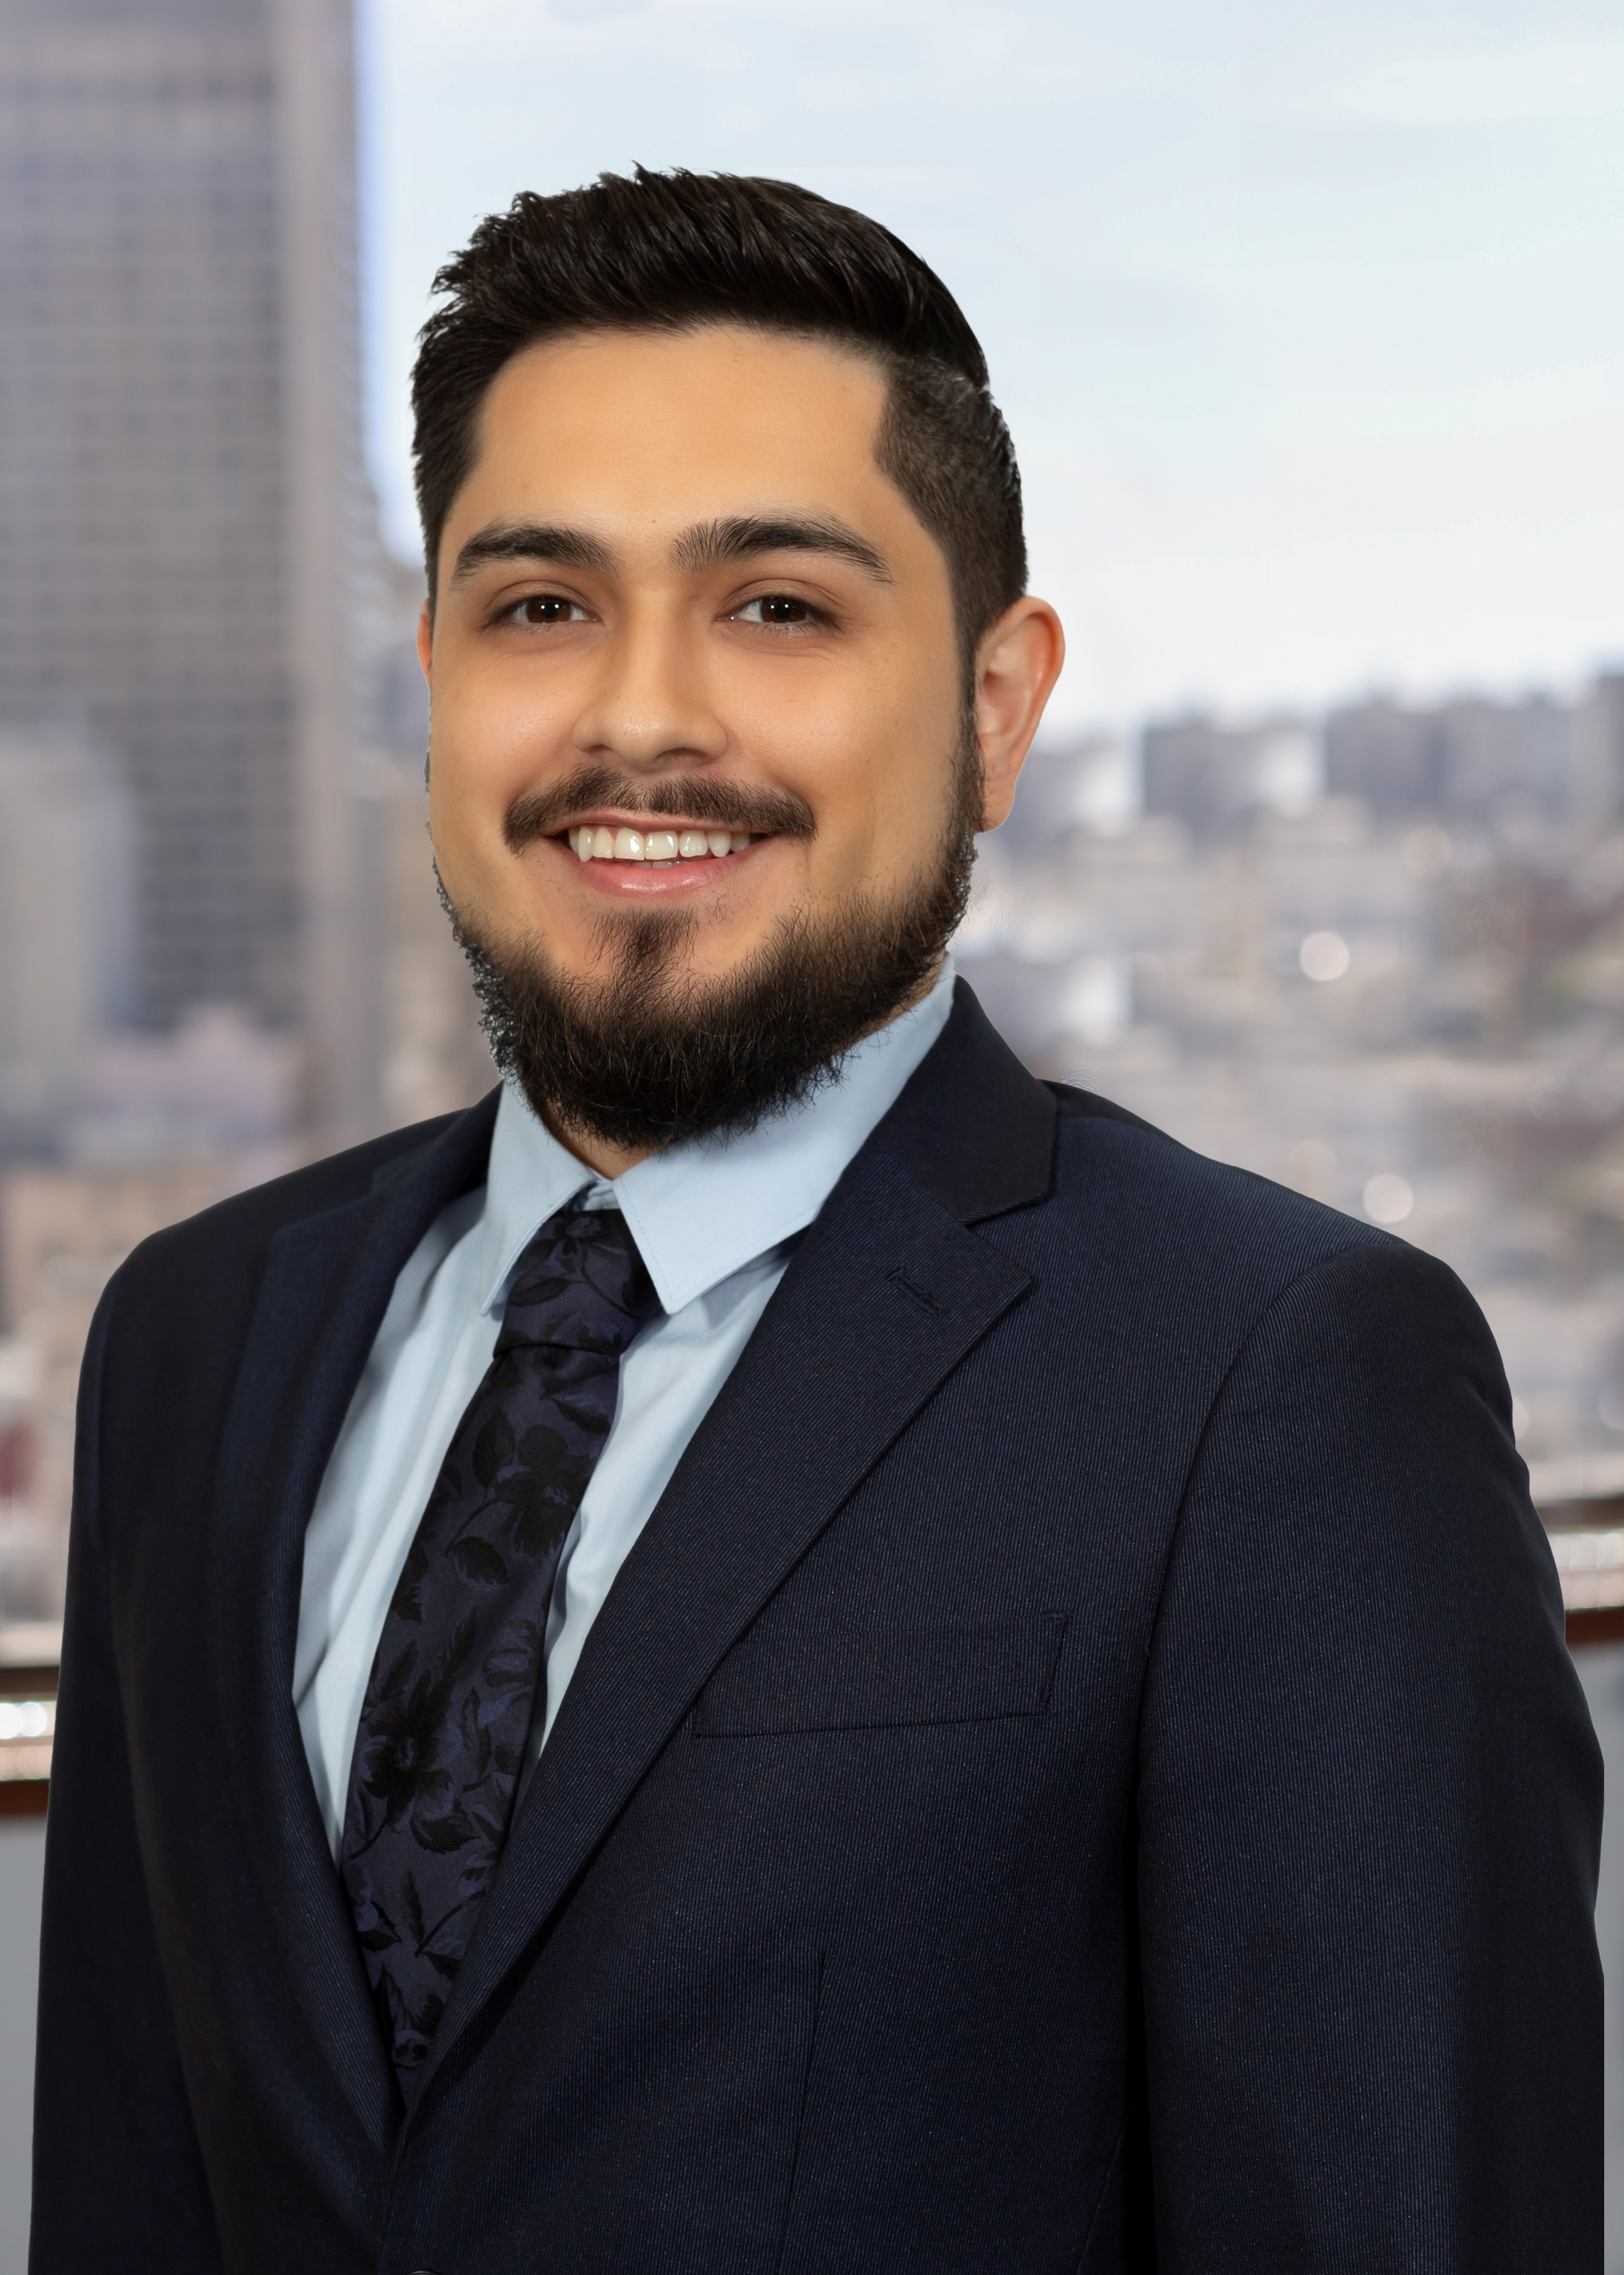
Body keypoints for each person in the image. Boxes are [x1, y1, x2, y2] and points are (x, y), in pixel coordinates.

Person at [32, 168, 1599, 2273]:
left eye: (776, 605)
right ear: (432, 676)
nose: (638, 716)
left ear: (994, 707)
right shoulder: (201, 1332)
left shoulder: (1279, 1382)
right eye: (539, 606)